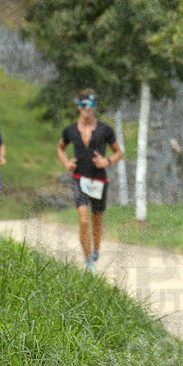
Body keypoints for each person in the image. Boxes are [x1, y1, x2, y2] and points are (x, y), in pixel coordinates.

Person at [57, 89, 124, 272]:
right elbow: (61, 148)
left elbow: (120, 152)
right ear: (79, 106)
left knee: (97, 220)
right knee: (84, 220)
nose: (88, 108)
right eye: (85, 104)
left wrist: (107, 161)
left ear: (95, 107)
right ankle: (89, 262)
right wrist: (67, 163)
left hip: (99, 180)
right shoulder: (70, 130)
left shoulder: (105, 130)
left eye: (92, 104)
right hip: (80, 178)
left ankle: (96, 250)